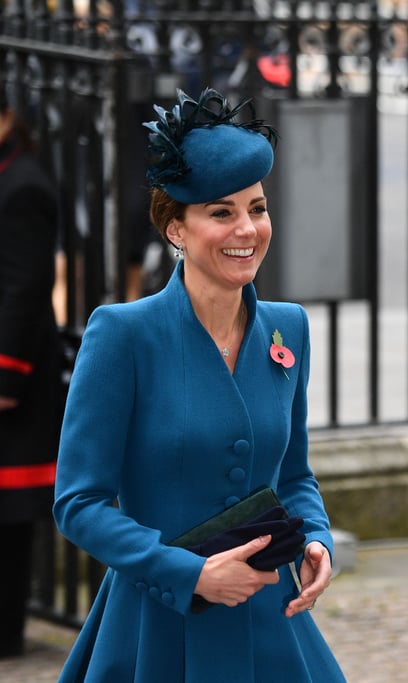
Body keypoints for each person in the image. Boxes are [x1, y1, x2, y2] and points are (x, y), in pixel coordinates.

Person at [52, 88, 347, 682]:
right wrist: (189, 573)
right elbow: (78, 503)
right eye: (221, 213)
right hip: (155, 625)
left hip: (270, 622)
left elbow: (292, 475)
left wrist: (316, 538)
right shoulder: (122, 335)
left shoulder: (287, 328)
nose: (247, 229)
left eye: (257, 208)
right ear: (176, 229)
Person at [0, 86, 64, 659]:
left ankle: (6, 631)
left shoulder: (24, 187)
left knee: (9, 518)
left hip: (12, 376)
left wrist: (6, 376)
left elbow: (23, 291)